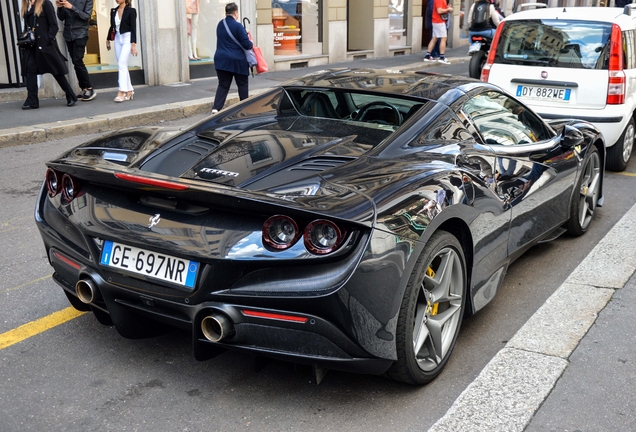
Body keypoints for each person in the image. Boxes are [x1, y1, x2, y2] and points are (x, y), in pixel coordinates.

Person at [19, 0, 78, 109]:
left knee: (56, 71)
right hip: (32, 46)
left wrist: (48, 40)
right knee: (30, 70)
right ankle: (32, 100)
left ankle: (70, 95)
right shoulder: (26, 5)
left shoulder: (45, 3)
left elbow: (54, 25)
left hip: (45, 45)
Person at [211, 2, 253, 114]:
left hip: (221, 60)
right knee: (242, 84)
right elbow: (247, 45)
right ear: (235, 12)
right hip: (237, 61)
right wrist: (249, 39)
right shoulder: (238, 26)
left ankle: (216, 108)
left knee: (223, 85)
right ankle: (244, 109)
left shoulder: (220, 24)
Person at [56, 0, 97, 101]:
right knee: (76, 62)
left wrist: (71, 7)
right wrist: (60, 7)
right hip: (68, 34)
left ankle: (89, 88)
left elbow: (86, 16)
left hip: (80, 33)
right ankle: (84, 88)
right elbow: (61, 18)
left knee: (78, 60)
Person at [106, 0, 137, 103]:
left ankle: (122, 91)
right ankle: (129, 90)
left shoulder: (131, 11)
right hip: (118, 38)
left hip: (127, 38)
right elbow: (112, 26)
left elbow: (133, 28)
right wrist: (108, 39)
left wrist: (133, 44)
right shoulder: (113, 11)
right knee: (122, 65)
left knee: (121, 64)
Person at [423, 0, 453, 64]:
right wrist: (448, 9)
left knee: (434, 38)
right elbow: (439, 11)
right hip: (439, 21)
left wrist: (447, 8)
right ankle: (442, 57)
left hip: (437, 21)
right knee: (443, 38)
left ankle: (427, 55)